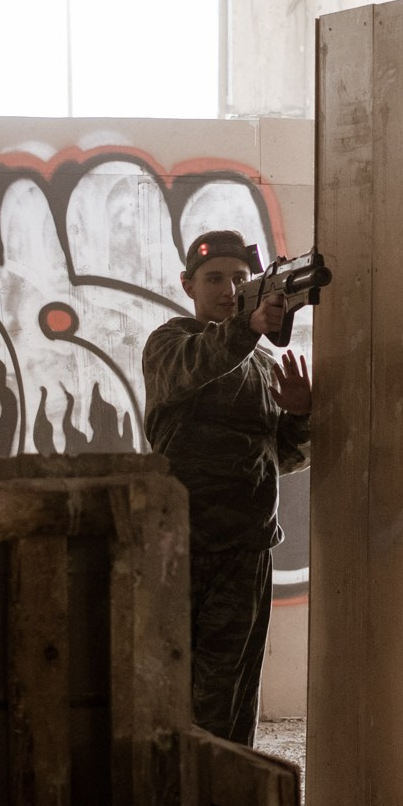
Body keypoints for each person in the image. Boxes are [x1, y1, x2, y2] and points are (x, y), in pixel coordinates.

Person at [143, 230, 311, 745]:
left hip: (245, 552)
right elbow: (197, 366)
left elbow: (273, 456)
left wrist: (301, 417)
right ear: (187, 284)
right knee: (175, 698)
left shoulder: (260, 364)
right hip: (181, 549)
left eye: (240, 279)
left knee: (233, 700)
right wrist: (248, 325)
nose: (227, 288)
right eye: (214, 278)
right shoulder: (170, 343)